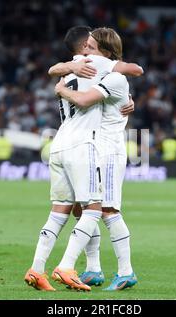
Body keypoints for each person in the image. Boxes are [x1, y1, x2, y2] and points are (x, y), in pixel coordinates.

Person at [24, 26, 142, 292]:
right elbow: (136, 70)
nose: (89, 44)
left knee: (86, 209)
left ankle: (113, 270)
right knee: (90, 209)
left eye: (93, 41)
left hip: (83, 146)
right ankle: (83, 267)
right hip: (85, 146)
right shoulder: (99, 67)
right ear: (84, 45)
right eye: (87, 41)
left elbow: (55, 71)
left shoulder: (69, 71)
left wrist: (61, 86)